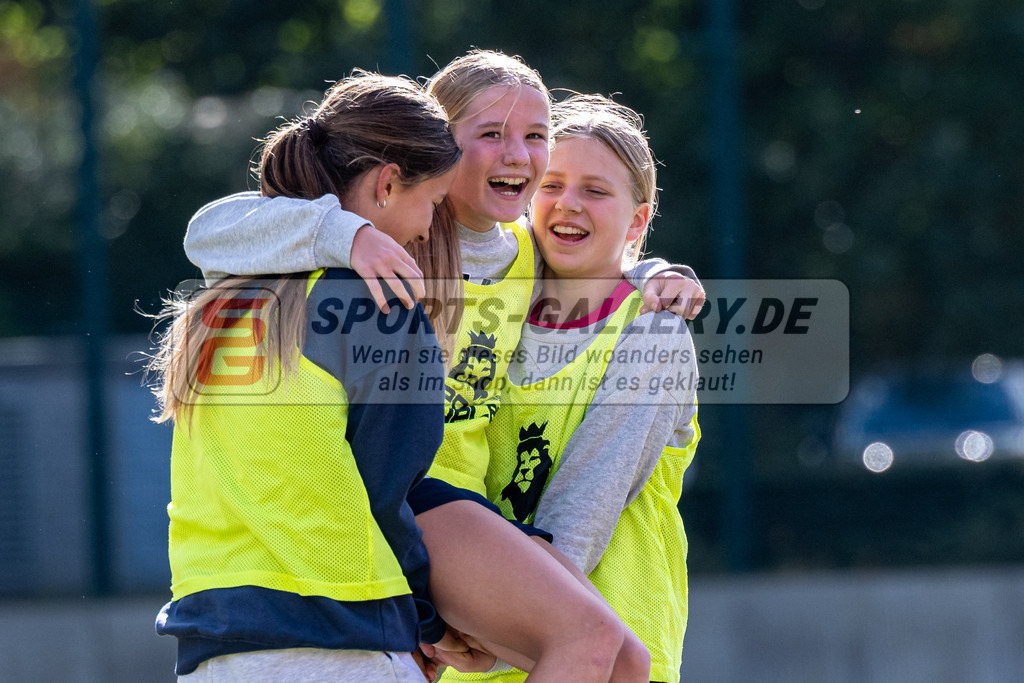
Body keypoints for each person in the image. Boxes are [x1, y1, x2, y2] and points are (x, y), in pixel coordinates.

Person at [148, 73, 647, 682]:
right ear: (437, 145)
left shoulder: (526, 250)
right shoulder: (381, 251)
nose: (517, 153)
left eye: (536, 134)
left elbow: (596, 253)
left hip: (437, 516)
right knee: (589, 640)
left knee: (626, 661)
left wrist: (655, 276)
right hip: (408, 503)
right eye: (490, 133)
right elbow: (207, 231)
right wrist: (348, 234)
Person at [470, 95, 702, 683]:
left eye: (596, 191)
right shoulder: (488, 316)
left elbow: (582, 513)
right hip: (474, 660)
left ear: (638, 220)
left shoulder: (655, 330)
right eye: (550, 185)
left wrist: (486, 636)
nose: (567, 205)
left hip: (600, 658)